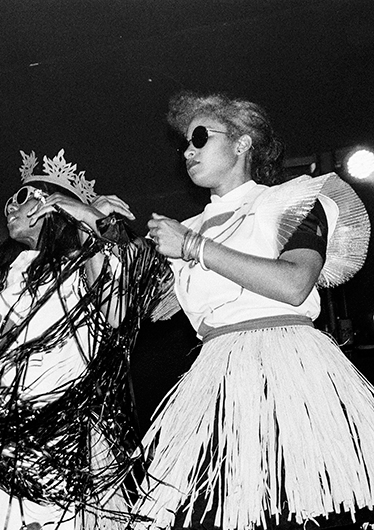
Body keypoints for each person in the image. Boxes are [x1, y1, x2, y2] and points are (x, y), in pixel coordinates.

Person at [138, 90, 374, 530]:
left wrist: (193, 248)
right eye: (186, 144)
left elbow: (292, 282)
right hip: (215, 375)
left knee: (303, 509)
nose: (188, 151)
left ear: (243, 142)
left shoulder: (295, 199)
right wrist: (94, 228)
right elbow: (129, 312)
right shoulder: (180, 231)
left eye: (201, 137)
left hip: (289, 369)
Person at [0, 150, 172, 530]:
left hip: (54, 424)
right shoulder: (17, 274)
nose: (11, 206)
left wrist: (92, 218)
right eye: (10, 199)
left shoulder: (82, 264)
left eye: (25, 198)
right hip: (0, 423)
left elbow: (122, 294)